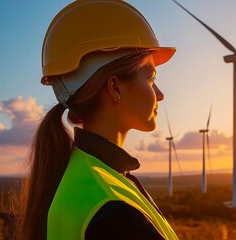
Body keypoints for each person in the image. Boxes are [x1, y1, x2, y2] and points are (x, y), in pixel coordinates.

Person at [19, 1, 178, 239]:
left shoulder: (81, 176)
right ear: (115, 87)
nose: (160, 95)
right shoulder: (114, 212)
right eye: (151, 79)